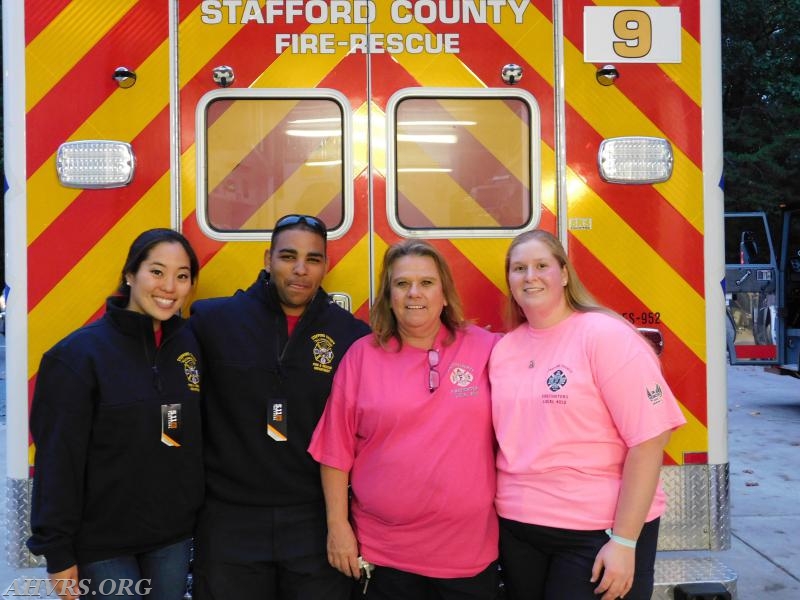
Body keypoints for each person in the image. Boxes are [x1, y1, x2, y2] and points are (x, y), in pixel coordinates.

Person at [489, 230, 687, 600]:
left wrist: (625, 541)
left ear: (564, 274)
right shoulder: (505, 350)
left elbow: (649, 441)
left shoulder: (606, 337)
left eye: (541, 266)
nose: (529, 276)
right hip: (519, 530)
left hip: (597, 532)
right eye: (518, 269)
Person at [189, 214, 371, 600]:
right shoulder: (212, 321)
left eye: (314, 259)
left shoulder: (351, 336)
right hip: (229, 521)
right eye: (288, 257)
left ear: (325, 266)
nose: (301, 270)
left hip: (313, 520)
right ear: (268, 258)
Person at [309, 239, 500, 600]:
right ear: (389, 295)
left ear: (445, 295)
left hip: (468, 556)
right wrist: (338, 527)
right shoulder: (361, 357)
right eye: (402, 283)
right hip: (386, 556)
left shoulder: (485, 348)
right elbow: (335, 451)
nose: (414, 293)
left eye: (427, 283)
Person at [27, 228, 204, 600]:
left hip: (171, 538)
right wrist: (57, 553)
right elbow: (58, 462)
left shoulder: (190, 346)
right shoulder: (77, 357)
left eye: (182, 275)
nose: (169, 286)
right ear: (129, 275)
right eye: (156, 271)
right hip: (103, 545)